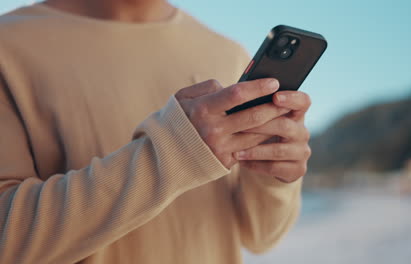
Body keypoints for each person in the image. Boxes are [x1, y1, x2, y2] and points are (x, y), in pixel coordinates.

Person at [0, 0, 312, 263]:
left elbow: (261, 236)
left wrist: (271, 174)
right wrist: (173, 154)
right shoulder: (9, 45)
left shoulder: (228, 53)